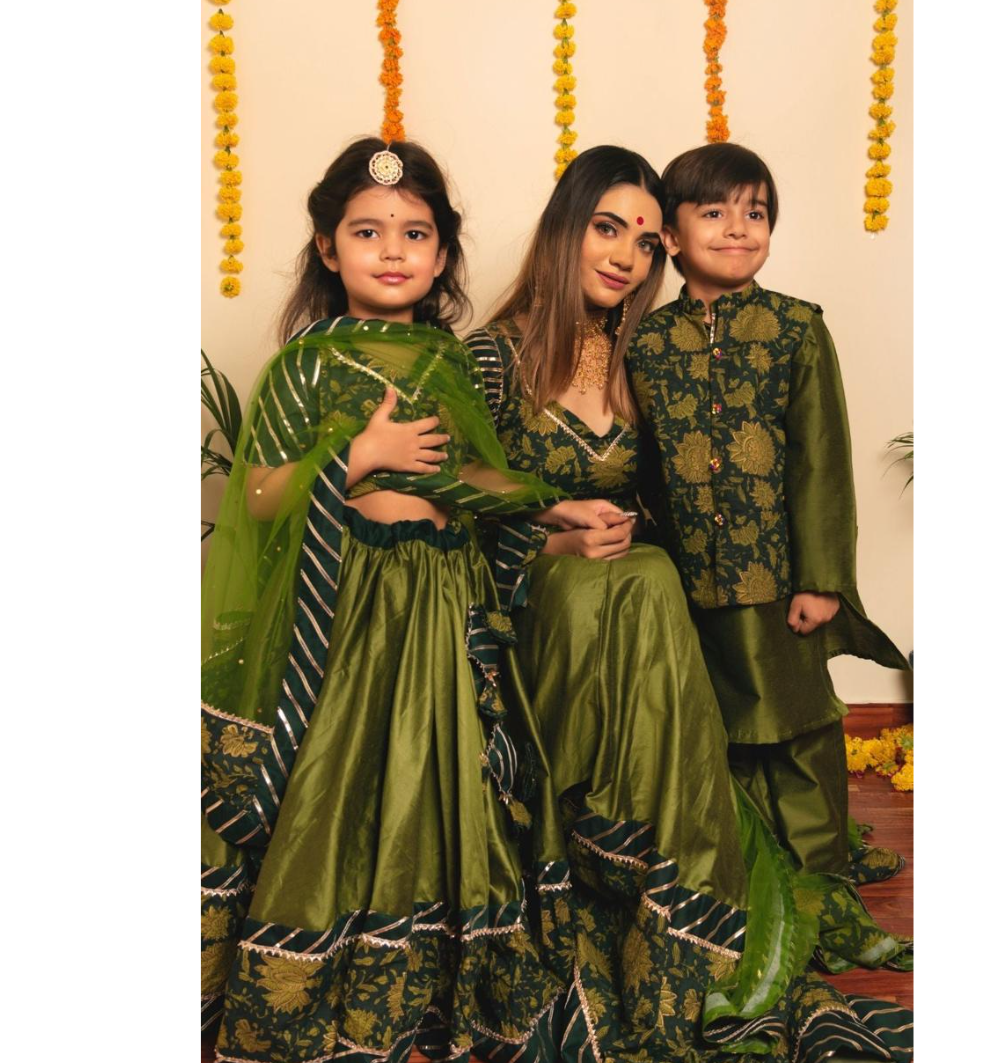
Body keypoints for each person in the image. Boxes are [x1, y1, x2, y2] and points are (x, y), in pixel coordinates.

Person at [469, 145, 913, 1062]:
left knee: (705, 638)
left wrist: (810, 573)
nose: (627, 254)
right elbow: (458, 499)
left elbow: (763, 472)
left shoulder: (664, 348)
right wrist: (552, 526)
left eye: (642, 237)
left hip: (680, 590)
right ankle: (628, 867)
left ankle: (746, 889)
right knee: (645, 599)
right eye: (607, 228)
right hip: (559, 594)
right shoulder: (508, 354)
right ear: (565, 226)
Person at [199, 136, 617, 1063]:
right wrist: (360, 459)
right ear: (325, 245)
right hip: (349, 606)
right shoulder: (304, 365)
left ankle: (431, 988)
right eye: (367, 230)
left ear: (441, 253)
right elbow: (261, 494)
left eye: (415, 233)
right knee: (348, 784)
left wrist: (555, 510)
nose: (392, 249)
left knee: (443, 781)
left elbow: (472, 477)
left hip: (441, 599)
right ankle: (326, 979)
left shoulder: (446, 361)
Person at [628, 142, 914, 976]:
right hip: (688, 589)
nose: (739, 228)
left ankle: (834, 910)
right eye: (714, 211)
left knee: (799, 740)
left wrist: (822, 581)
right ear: (670, 237)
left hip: (780, 583)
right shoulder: (647, 344)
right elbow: (640, 468)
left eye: (755, 212)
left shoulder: (796, 328)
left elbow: (821, 459)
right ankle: (759, 903)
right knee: (722, 747)